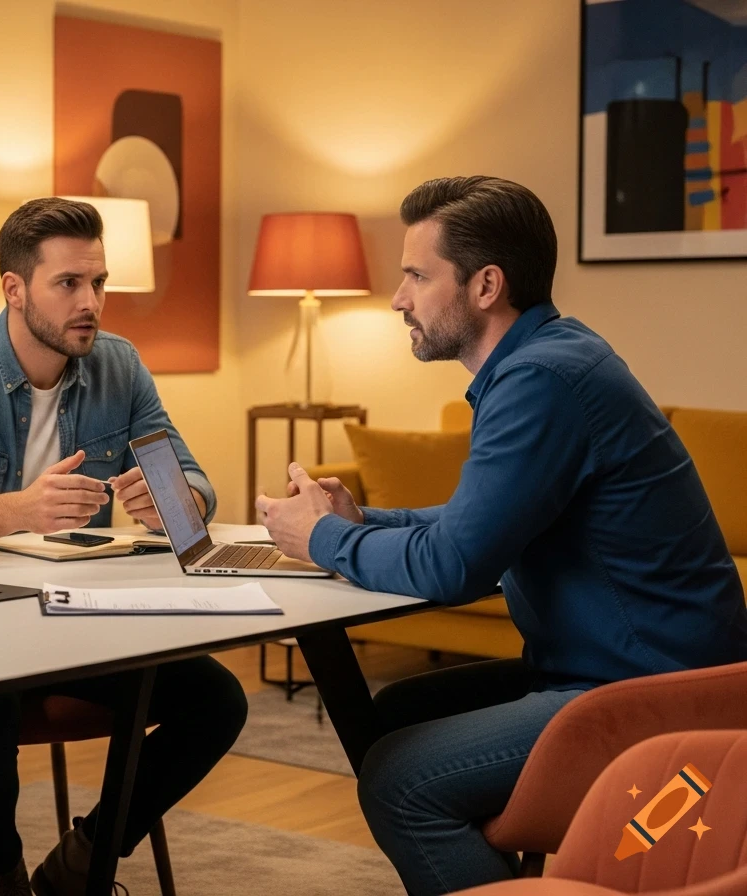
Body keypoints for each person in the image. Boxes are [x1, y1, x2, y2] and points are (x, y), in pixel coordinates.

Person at [255, 176, 747, 896]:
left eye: (416, 276)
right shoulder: (551, 358)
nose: (398, 299)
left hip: (651, 692)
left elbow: (456, 565)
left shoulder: (541, 381)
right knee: (393, 714)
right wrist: (359, 525)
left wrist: (324, 539)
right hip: (628, 671)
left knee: (400, 782)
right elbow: (476, 527)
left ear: (486, 285)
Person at [0, 197, 247, 896]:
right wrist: (19, 509)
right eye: (69, 284)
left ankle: (84, 862)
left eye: (99, 283)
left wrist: (171, 502)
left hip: (79, 621)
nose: (92, 303)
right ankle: (4, 878)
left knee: (217, 701)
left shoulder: (119, 365)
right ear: (14, 289)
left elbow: (193, 483)